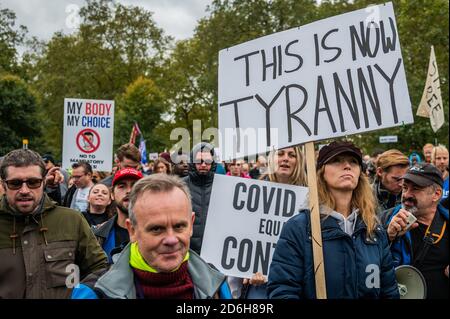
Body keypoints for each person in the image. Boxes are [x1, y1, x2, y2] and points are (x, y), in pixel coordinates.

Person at [268, 141, 399, 299]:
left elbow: (389, 291)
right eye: (337, 161)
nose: (347, 166)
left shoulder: (373, 228)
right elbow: (283, 290)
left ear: (360, 173)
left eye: (354, 162)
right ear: (322, 172)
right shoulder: (299, 227)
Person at [72, 174, 232, 299]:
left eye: (179, 226)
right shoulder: (95, 291)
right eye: (156, 229)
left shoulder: (217, 284)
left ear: (191, 224)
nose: (171, 239)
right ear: (132, 231)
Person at [0, 149, 108, 298]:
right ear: (3, 185)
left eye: (33, 182)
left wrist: (86, 291)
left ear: (44, 181)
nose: (24, 190)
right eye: (15, 183)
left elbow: (100, 267)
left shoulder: (71, 220)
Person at [383, 163, 448, 299]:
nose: (406, 195)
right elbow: (367, 264)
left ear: (436, 194)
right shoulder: (385, 219)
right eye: (405, 187)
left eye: (416, 189)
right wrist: (387, 236)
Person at [94, 168, 143, 263]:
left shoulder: (159, 232)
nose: (129, 191)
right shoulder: (97, 235)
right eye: (122, 186)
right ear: (112, 195)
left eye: (135, 186)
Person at [182, 142, 216, 255]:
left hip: (216, 253)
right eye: (199, 161)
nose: (203, 165)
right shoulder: (180, 186)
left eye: (207, 161)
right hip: (187, 253)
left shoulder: (223, 186)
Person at [372, 149, 410, 219]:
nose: (401, 184)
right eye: (396, 179)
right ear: (380, 172)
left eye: (405, 179)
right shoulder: (364, 197)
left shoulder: (410, 196)